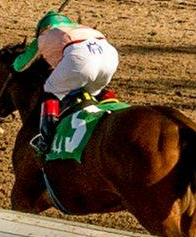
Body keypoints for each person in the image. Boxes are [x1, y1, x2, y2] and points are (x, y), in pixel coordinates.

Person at [13, 9, 119, 142]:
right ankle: (113, 108)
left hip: (81, 60)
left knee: (50, 90)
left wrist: (13, 62)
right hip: (110, 58)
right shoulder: (83, 28)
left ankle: (46, 138)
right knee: (93, 91)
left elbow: (20, 65)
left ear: (43, 28)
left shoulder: (45, 35)